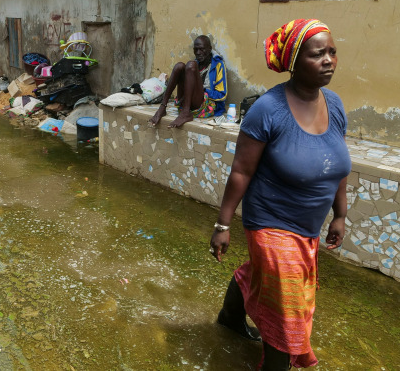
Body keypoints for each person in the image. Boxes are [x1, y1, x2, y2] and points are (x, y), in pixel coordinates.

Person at [209, 19, 351, 370]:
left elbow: (337, 163)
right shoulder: (268, 110)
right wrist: (222, 224)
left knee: (262, 277)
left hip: (307, 228)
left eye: (332, 52)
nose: (329, 60)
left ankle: (229, 317)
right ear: (294, 61)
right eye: (318, 54)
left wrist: (341, 214)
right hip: (270, 222)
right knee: (289, 316)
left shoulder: (335, 105)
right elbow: (241, 171)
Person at [148, 35, 227, 128]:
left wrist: (203, 90)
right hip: (188, 103)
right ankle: (162, 107)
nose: (198, 53)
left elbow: (222, 95)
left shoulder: (218, 65)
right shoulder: (196, 63)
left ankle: (186, 112)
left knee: (190, 65)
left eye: (202, 49)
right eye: (196, 49)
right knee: (179, 66)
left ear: (209, 49)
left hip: (205, 105)